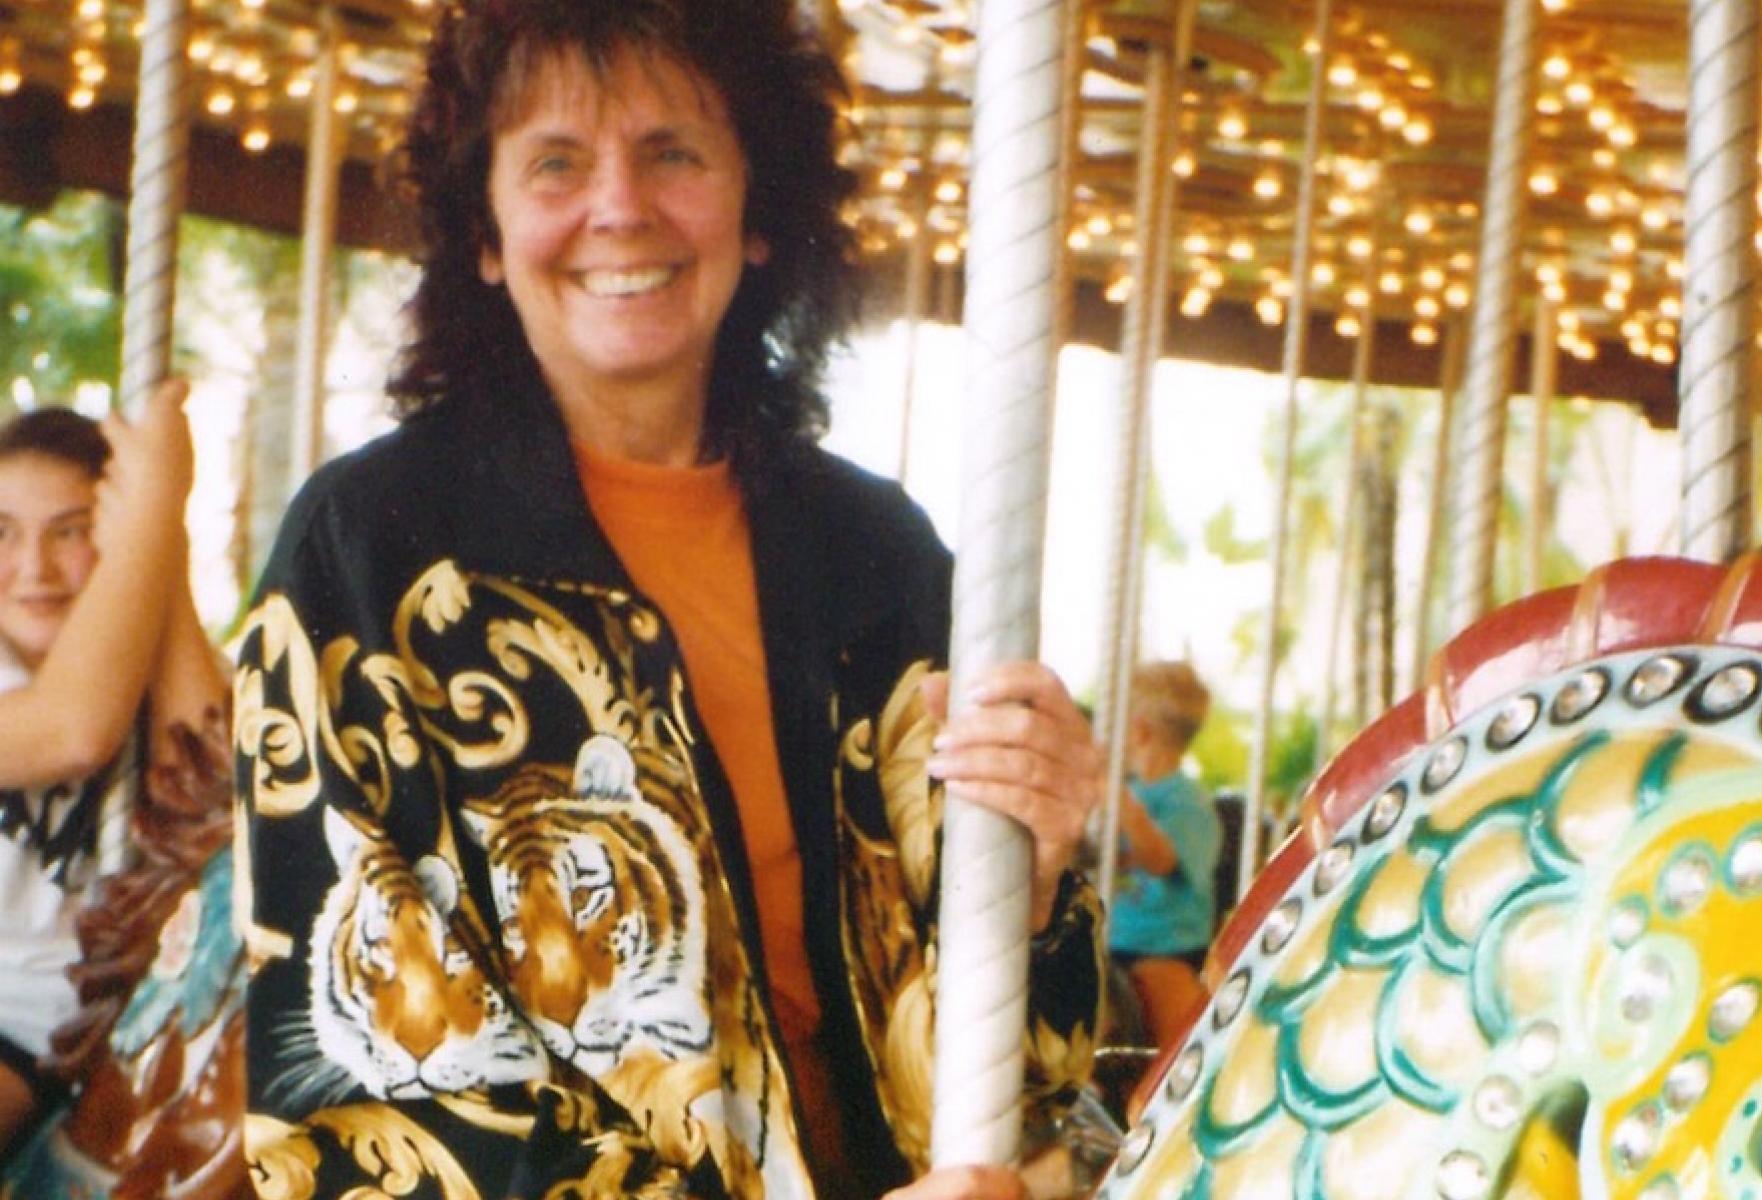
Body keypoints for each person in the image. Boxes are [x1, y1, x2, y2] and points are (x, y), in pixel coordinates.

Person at [228, 2, 1103, 1197]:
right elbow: (365, 1091)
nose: (620, 207)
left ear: (756, 212)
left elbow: (1024, 1081)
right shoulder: (372, 554)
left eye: (673, 152)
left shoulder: (877, 557)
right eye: (556, 162)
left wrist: (1036, 872)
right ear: (484, 232)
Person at [0, 387, 223, 1159]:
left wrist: (164, 547)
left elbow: (213, 798)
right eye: (2, 533)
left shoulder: (148, 670)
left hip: (115, 1030)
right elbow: (74, 730)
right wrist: (154, 504)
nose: (33, 568)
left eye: (73, 531)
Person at [1106, 662, 1220, 1047]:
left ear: (1138, 731)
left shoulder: (1186, 801)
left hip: (1163, 950)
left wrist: (1115, 798)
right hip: (1108, 941)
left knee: (1175, 1048)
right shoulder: (1125, 794)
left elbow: (1162, 859)